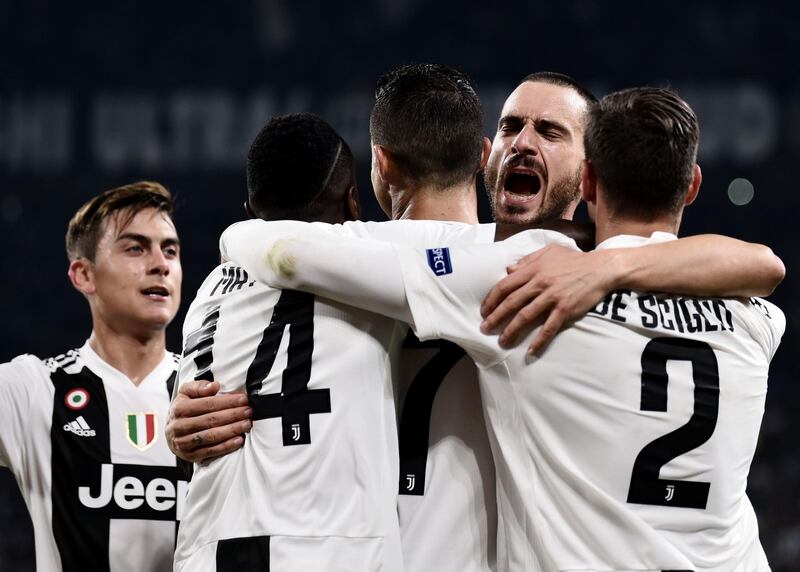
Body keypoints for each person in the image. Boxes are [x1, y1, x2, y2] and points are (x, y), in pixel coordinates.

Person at [170, 69, 784, 571]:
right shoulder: (407, 263)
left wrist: (603, 270)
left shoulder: (513, 273)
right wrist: (193, 413)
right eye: (512, 125)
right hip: (383, 549)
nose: (525, 142)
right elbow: (761, 269)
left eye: (551, 131)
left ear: (588, 173)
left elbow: (290, 253)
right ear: (485, 155)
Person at [0, 181, 187, 571]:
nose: (161, 263)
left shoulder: (210, 391)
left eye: (169, 249)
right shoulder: (34, 391)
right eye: (135, 248)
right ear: (84, 275)